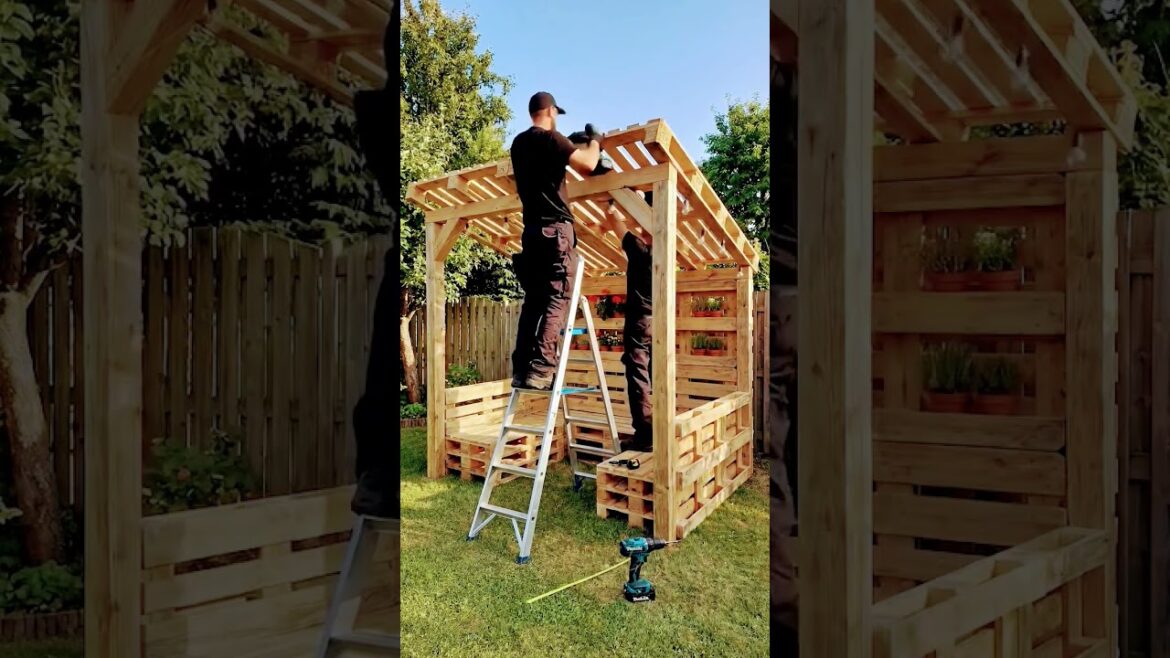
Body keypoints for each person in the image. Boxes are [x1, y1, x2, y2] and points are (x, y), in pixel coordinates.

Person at [508, 92, 605, 391]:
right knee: (558, 297)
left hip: (531, 233)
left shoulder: (518, 144)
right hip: (555, 231)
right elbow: (588, 164)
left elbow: (542, 167)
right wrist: (595, 141)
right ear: (551, 111)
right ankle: (541, 369)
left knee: (534, 301)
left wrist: (569, 143)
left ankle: (521, 370)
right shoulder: (552, 140)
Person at [347, 12, 397, 519]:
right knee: (383, 375)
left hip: (393, 260)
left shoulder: (374, 111)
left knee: (382, 374)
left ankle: (378, 479)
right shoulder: (381, 114)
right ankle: (380, 480)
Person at [599, 195, 654, 452]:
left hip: (639, 322)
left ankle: (645, 436)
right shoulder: (665, 252)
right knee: (654, 376)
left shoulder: (640, 250)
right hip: (658, 321)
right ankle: (656, 430)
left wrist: (608, 201)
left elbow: (615, 222)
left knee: (638, 377)